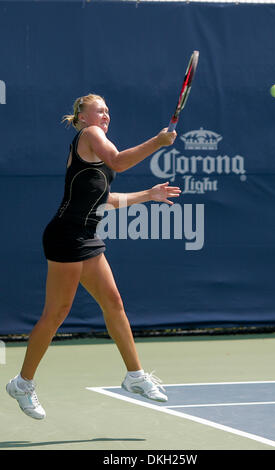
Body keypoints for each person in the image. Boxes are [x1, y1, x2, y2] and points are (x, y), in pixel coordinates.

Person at [6, 93, 179, 420]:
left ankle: (135, 376)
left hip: (86, 237)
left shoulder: (96, 146)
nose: (105, 115)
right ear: (82, 118)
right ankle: (22, 383)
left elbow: (105, 198)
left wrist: (149, 195)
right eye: (99, 110)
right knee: (56, 314)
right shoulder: (90, 136)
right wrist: (157, 142)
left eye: (108, 111)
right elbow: (118, 162)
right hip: (65, 237)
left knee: (113, 303)